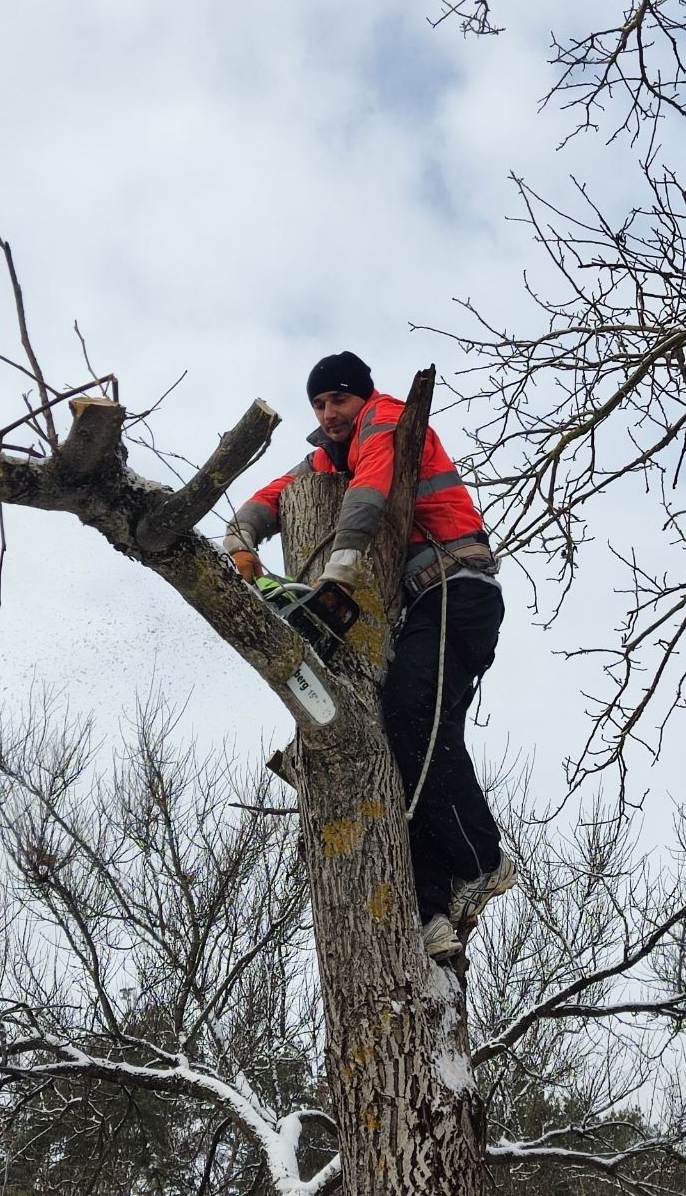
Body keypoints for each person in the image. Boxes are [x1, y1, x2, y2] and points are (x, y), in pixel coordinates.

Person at [224, 352, 514, 959]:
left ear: (362, 397)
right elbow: (280, 492)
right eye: (320, 404)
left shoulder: (386, 419)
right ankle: (432, 908)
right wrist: (240, 537)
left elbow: (371, 489)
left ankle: (483, 859)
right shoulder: (329, 457)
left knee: (411, 718)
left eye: (338, 401)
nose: (329, 413)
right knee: (408, 744)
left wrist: (344, 562)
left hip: (457, 589)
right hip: (425, 604)